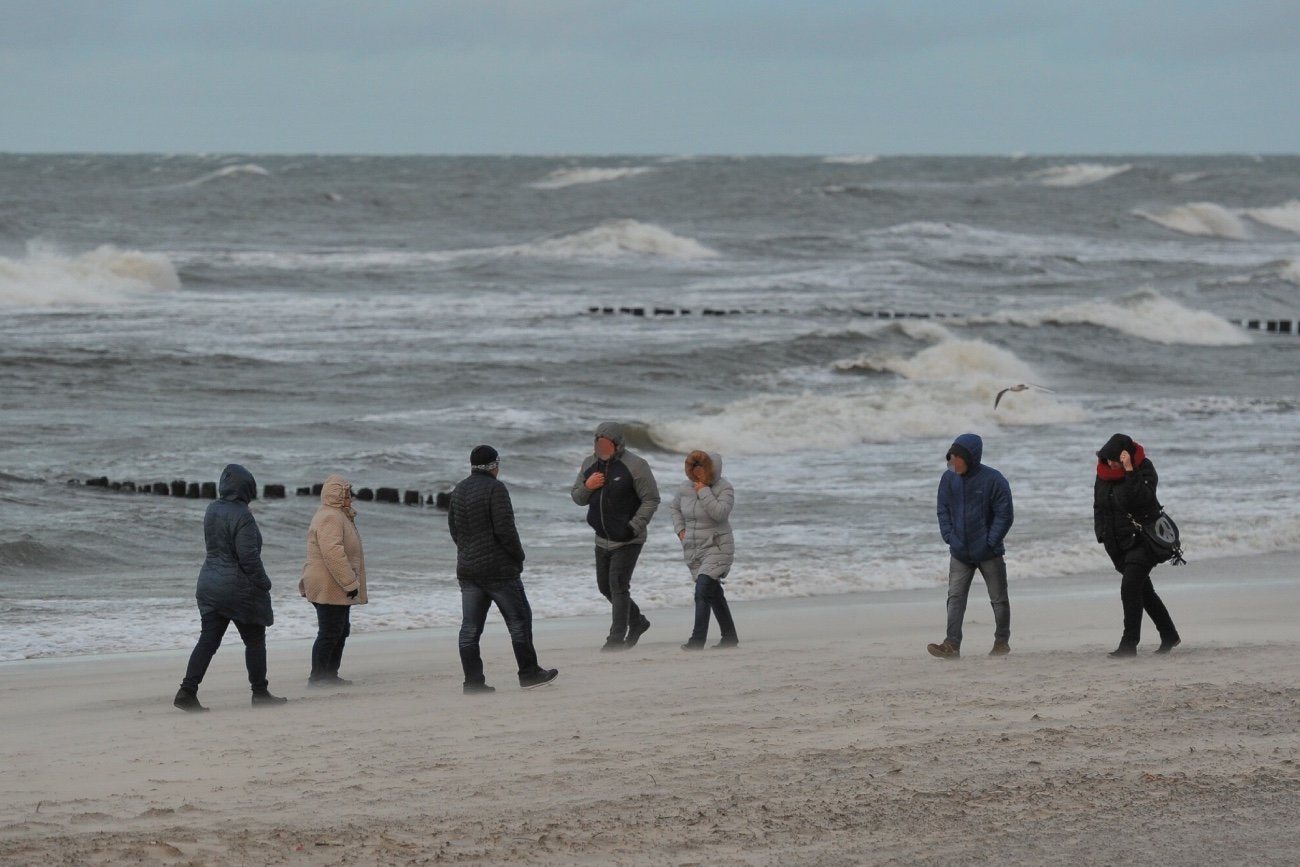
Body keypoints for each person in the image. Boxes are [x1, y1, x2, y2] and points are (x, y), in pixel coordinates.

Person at [174, 464, 287, 711]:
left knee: (208, 640)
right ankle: (260, 693)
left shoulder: (212, 509)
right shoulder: (243, 516)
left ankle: (187, 690)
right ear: (246, 488)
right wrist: (264, 583)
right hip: (235, 588)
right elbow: (247, 557)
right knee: (255, 639)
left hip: (208, 583)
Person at [448, 445, 558, 693]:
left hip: (467, 570)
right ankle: (529, 674)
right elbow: (505, 530)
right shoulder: (496, 489)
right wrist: (518, 557)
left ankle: (473, 682)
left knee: (470, 629)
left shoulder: (459, 490)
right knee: (519, 621)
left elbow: (455, 531)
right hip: (499, 570)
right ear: (494, 466)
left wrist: (468, 553)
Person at [570, 422, 661, 651]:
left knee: (618, 586)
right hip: (601, 537)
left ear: (618, 444)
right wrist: (588, 486)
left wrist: (634, 526)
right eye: (598, 442)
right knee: (605, 587)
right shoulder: (589, 464)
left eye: (606, 443)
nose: (601, 447)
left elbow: (651, 499)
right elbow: (578, 498)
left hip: (629, 538)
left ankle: (615, 639)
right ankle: (637, 621)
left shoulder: (637, 466)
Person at [927, 433, 1014, 660]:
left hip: (988, 552)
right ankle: (951, 645)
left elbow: (1005, 515)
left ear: (971, 458)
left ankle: (1001, 642)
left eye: (957, 459)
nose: (953, 463)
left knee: (998, 599)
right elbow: (942, 509)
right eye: (951, 458)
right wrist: (949, 536)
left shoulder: (994, 480)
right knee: (955, 597)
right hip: (959, 551)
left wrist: (990, 541)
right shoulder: (949, 478)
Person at [1094, 433, 1180, 657]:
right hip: (1116, 543)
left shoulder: (1145, 468)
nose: (1110, 463)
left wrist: (1130, 470)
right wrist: (1101, 533)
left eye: (1114, 459)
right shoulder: (1103, 473)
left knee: (1130, 589)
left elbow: (1144, 498)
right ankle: (1169, 635)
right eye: (1107, 459)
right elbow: (1099, 505)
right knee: (1145, 592)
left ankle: (1129, 644)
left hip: (1143, 539)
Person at [299, 475, 367, 687]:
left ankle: (329, 675)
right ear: (338, 495)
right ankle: (318, 677)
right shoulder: (331, 517)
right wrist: (349, 583)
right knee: (330, 632)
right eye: (348, 494)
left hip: (333, 582)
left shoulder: (338, 515)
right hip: (329, 583)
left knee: (340, 629)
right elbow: (332, 553)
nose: (352, 498)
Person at [671, 450, 739, 650]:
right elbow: (674, 508)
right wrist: (680, 529)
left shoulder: (724, 488)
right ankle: (729, 637)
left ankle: (697, 640)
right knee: (713, 592)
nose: (698, 472)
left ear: (712, 469)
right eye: (695, 468)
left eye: (703, 468)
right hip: (694, 549)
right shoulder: (684, 487)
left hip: (718, 546)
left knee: (702, 589)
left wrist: (703, 490)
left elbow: (720, 513)